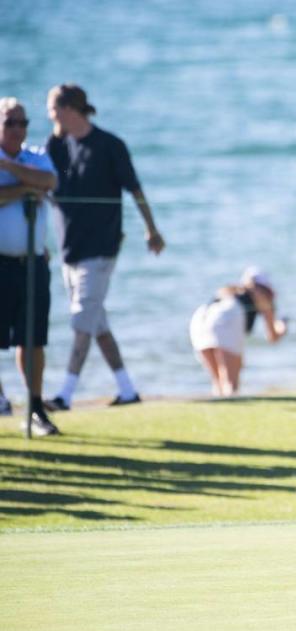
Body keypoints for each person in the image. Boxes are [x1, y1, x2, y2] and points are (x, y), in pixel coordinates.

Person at [43, 84, 165, 411]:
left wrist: (151, 229)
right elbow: (41, 185)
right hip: (70, 250)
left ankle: (64, 395)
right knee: (97, 323)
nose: (49, 117)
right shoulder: (55, 147)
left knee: (82, 319)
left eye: (53, 110)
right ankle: (127, 390)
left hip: (101, 250)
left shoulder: (109, 146)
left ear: (70, 110)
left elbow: (135, 190)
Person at [0, 97, 60, 436]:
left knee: (33, 336)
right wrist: (24, 187)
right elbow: (36, 185)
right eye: (10, 123)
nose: (18, 130)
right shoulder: (29, 167)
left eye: (22, 123)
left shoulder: (36, 155)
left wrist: (9, 172)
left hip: (33, 263)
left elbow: (49, 182)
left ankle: (35, 407)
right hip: (1, 262)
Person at [189, 267, 287, 396]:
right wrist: (282, 327)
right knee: (230, 384)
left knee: (218, 382)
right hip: (227, 318)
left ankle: (217, 412)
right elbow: (272, 336)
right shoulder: (262, 297)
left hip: (200, 318)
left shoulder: (229, 291)